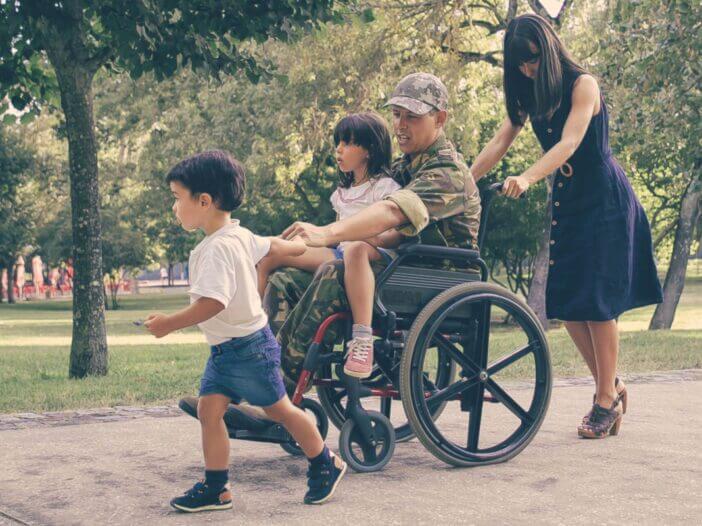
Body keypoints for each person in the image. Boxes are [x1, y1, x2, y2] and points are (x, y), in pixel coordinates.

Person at [470, 14, 662, 438]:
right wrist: (465, 182)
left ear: (550, 49)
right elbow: (502, 140)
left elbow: (570, 142)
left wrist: (528, 177)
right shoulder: (529, 92)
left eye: (533, 60)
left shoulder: (582, 85)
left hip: (604, 200)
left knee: (597, 304)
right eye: (519, 63)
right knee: (571, 306)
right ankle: (609, 387)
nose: (526, 69)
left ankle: (604, 402)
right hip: (571, 202)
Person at [144, 150, 346, 512]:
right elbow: (275, 245)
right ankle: (217, 487)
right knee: (209, 411)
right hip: (227, 350)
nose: (174, 208)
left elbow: (212, 304)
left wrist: (168, 324)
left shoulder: (217, 250)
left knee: (282, 412)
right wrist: (305, 243)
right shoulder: (238, 235)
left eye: (177, 198)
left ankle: (324, 462)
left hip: (250, 350)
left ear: (204, 201)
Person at [269, 72, 481, 382]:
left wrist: (327, 233)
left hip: (436, 278)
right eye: (396, 115)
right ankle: (262, 373)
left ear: (440, 119)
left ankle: (278, 397)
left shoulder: (447, 173)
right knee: (285, 279)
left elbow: (391, 211)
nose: (400, 125)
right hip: (397, 268)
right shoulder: (403, 168)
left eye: (412, 117)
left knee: (334, 271)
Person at [256, 112, 402, 378]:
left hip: (373, 253)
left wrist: (367, 236)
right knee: (271, 256)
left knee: (355, 249)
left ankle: (362, 338)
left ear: (369, 150)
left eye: (347, 143)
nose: (339, 149)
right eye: (338, 142)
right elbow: (336, 237)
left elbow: (395, 235)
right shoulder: (343, 193)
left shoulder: (385, 187)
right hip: (340, 250)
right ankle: (254, 332)